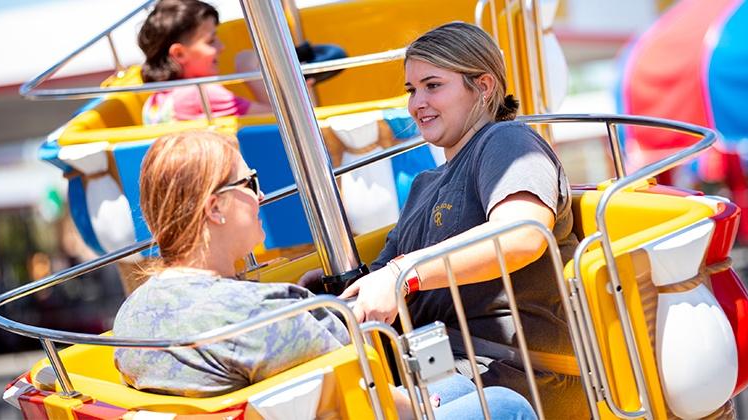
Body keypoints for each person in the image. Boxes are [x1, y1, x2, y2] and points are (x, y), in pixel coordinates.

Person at [113, 130, 534, 419]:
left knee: (459, 391)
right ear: (215, 208)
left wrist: (301, 301)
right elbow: (377, 397)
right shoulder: (267, 317)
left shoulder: (130, 316)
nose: (260, 195)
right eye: (248, 182)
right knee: (501, 403)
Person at [338, 22, 587, 418]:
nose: (417, 103)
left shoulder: (506, 142)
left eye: (433, 85)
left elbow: (522, 236)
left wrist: (406, 274)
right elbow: (382, 275)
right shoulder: (425, 184)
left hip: (510, 373)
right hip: (437, 367)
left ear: (484, 86)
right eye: (411, 90)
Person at [137, 0, 274, 124]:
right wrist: (248, 70)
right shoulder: (202, 95)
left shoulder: (154, 103)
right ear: (179, 53)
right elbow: (278, 120)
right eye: (211, 41)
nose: (222, 47)